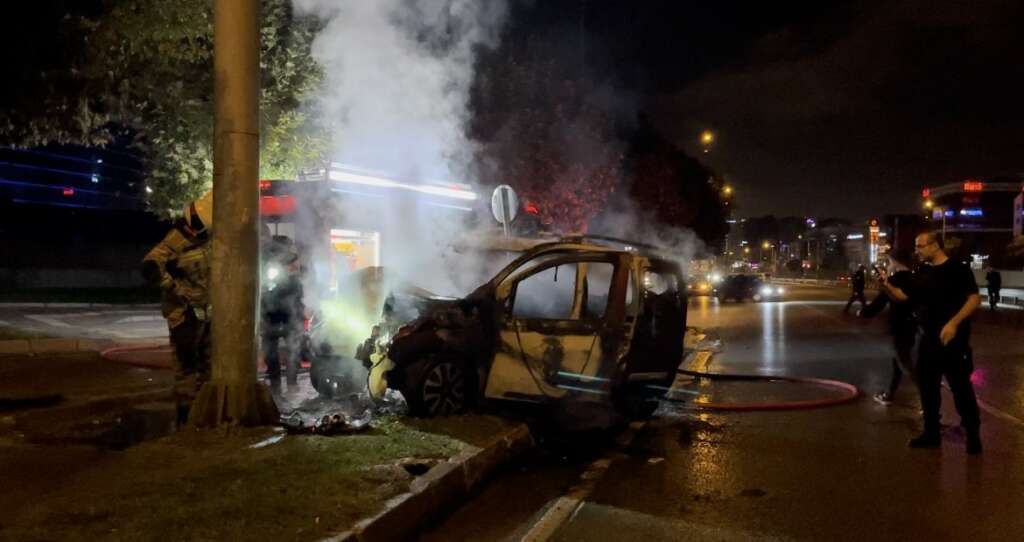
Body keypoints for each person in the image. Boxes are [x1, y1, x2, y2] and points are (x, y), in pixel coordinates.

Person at [880, 232, 982, 454]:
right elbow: (903, 297)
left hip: (954, 340)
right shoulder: (923, 272)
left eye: (921, 246)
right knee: (928, 389)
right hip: (928, 340)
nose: (917, 250)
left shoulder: (958, 269)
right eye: (916, 246)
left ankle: (973, 436)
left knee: (960, 388)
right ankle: (931, 433)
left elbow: (974, 299)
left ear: (935, 246)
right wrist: (885, 284)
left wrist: (953, 323)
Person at [141, 192, 213, 424]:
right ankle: (186, 418)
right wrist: (175, 289)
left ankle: (203, 415)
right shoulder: (175, 240)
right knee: (187, 369)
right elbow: (150, 266)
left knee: (209, 368)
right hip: (184, 314)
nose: (196, 233)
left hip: (207, 312)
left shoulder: (212, 236)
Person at [859, 252, 917, 405]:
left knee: (905, 364)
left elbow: (879, 303)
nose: (888, 267)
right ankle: (890, 394)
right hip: (913, 326)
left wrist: (863, 312)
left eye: (889, 263)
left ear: (896, 264)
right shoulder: (915, 278)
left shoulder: (893, 281)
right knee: (898, 361)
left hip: (899, 326)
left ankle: (927, 400)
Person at [261, 249, 306, 385]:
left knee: (292, 355)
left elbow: (296, 301)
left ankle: (291, 384)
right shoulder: (273, 279)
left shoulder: (295, 282)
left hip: (289, 322)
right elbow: (265, 297)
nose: (295, 267)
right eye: (293, 264)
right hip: (273, 321)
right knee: (272, 355)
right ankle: (276, 384)